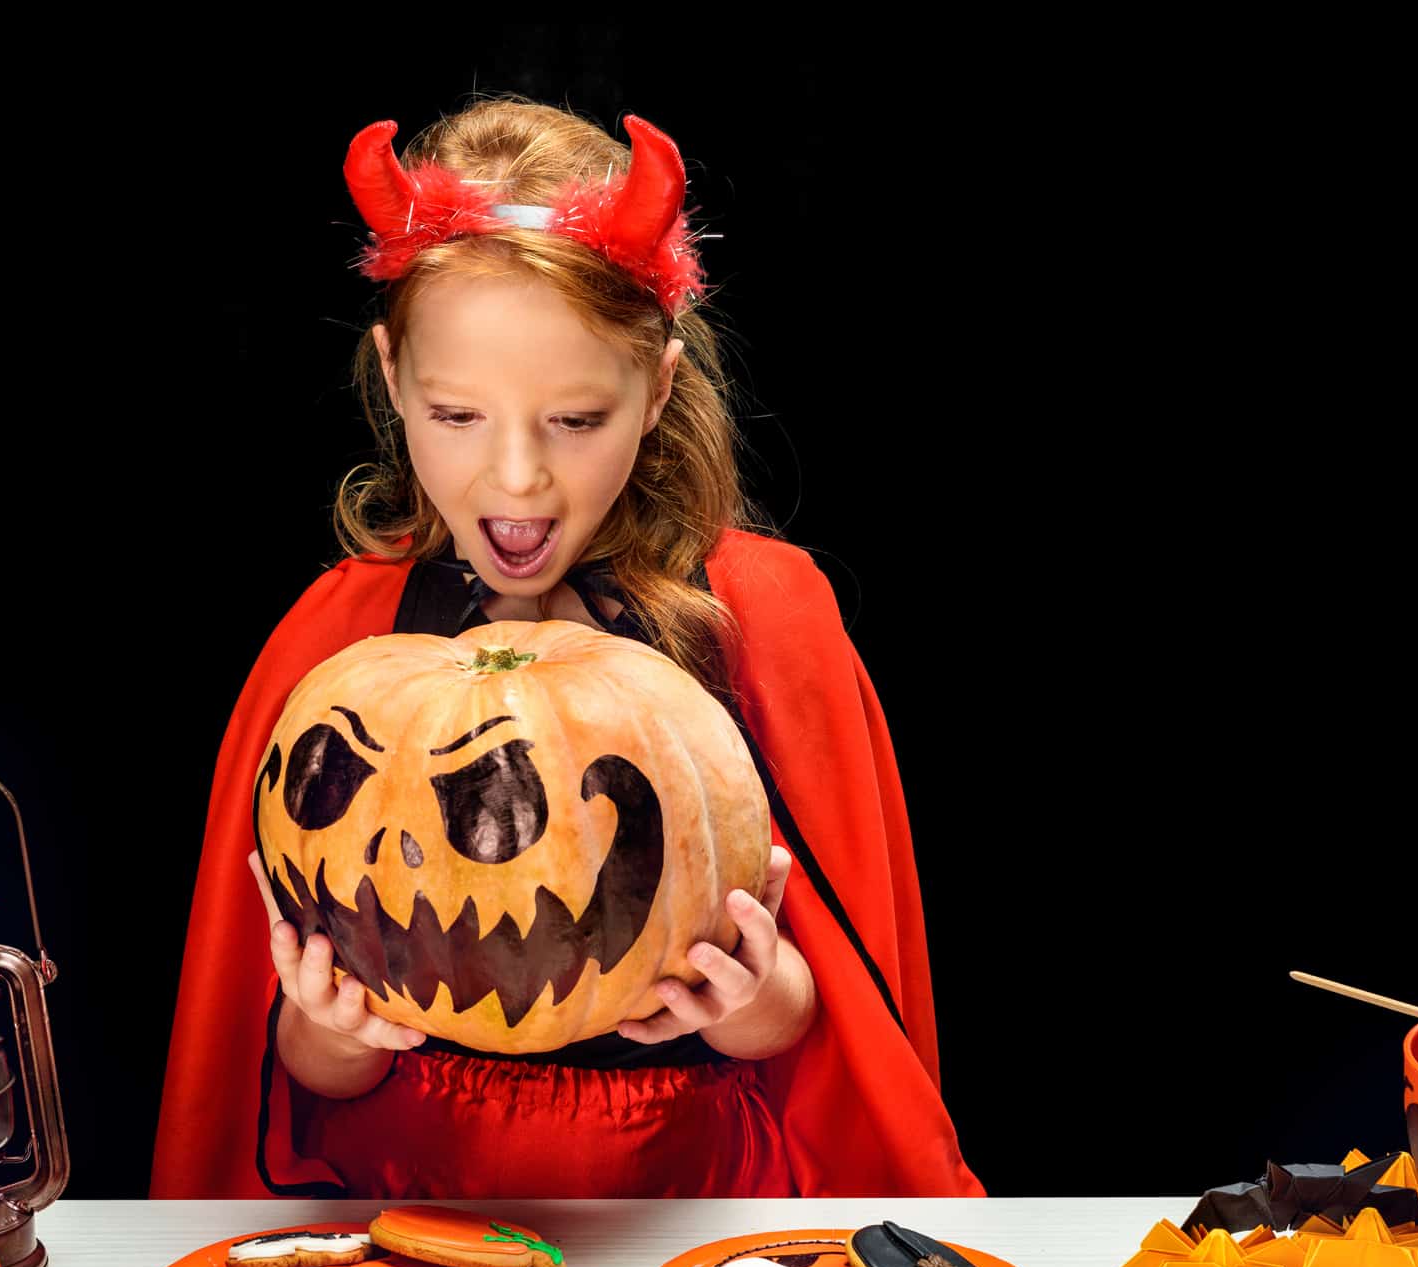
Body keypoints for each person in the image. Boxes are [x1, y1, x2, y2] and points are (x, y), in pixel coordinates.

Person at [151, 96, 982, 1198]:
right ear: (393, 379)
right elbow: (294, 1076)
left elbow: (831, 1039)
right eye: (455, 415)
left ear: (658, 390)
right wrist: (329, 1026)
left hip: (688, 1209)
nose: (516, 478)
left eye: (574, 420)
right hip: (410, 1206)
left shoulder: (760, 619)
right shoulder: (340, 639)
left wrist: (753, 996)